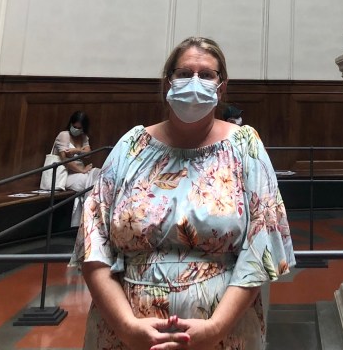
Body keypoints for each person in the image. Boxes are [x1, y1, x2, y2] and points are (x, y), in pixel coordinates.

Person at [73, 37, 295, 350]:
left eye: (206, 75)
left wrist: (215, 328)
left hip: (223, 335)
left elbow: (263, 245)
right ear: (168, 82)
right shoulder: (131, 146)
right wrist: (127, 326)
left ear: (221, 87)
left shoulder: (245, 146)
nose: (194, 81)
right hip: (125, 336)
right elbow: (93, 243)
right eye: (184, 73)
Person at [53, 110, 100, 225]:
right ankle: (90, 217)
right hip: (66, 174)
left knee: (99, 173)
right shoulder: (64, 135)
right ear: (70, 124)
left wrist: (76, 150)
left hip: (80, 172)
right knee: (90, 183)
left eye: (79, 128)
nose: (76, 130)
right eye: (74, 127)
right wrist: (82, 170)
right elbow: (65, 160)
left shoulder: (83, 137)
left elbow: (88, 154)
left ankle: (91, 215)